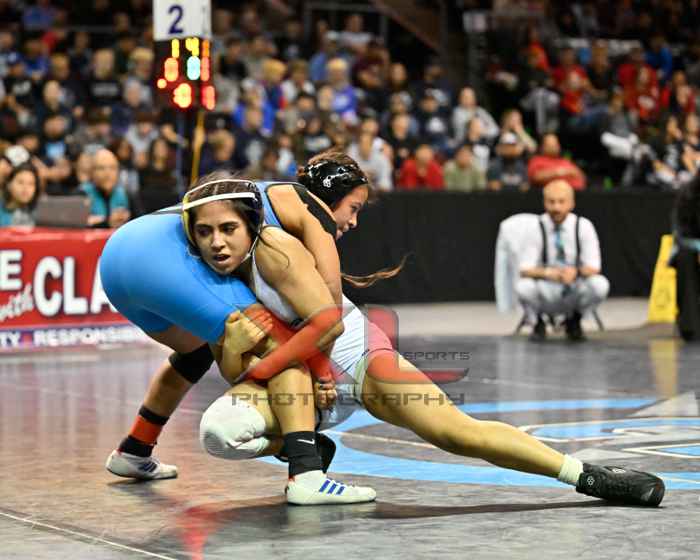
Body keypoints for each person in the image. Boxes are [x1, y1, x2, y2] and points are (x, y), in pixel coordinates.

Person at [194, 177, 665, 508]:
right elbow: (234, 371)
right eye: (204, 232)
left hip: (355, 358)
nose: (217, 243)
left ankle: (587, 475)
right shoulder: (204, 284)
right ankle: (307, 451)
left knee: (457, 434)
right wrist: (235, 351)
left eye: (228, 229)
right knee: (218, 432)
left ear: (251, 225)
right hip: (299, 383)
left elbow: (327, 322)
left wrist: (297, 370)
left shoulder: (276, 250)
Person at [101, 151, 376, 487]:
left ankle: (135, 448)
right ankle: (306, 471)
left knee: (196, 353)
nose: (353, 222)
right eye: (353, 208)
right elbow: (330, 308)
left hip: (118, 256)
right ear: (330, 198)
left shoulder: (263, 192)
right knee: (284, 351)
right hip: (161, 261)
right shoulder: (313, 209)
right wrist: (322, 374)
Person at [516, 180, 609, 341]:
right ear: (544, 203)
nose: (556, 208)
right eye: (551, 202)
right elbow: (524, 269)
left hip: (574, 287)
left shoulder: (583, 226)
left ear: (571, 203)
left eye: (561, 202)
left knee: (600, 285)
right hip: (546, 288)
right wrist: (549, 273)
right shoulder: (535, 227)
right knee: (523, 287)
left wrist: (575, 272)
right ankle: (538, 321)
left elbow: (594, 266)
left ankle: (575, 319)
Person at [79, 148, 130, 228]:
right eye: (101, 168)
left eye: (112, 168)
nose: (107, 173)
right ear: (92, 172)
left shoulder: (124, 194)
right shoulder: (81, 193)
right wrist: (107, 222)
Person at [0, 162, 40, 226]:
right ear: (9, 184)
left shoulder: (36, 211)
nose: (26, 188)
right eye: (20, 182)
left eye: (31, 184)